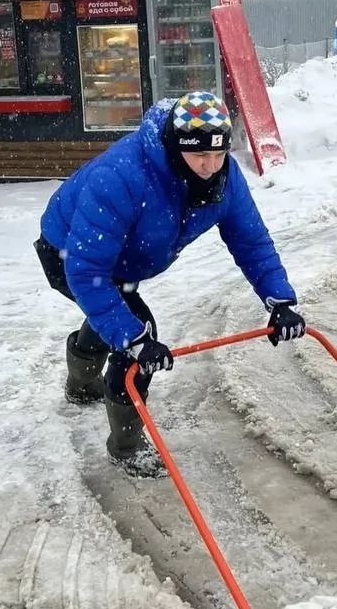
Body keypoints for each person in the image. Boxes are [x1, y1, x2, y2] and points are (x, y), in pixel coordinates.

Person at [35, 91, 305, 461]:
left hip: (122, 261)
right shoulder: (121, 176)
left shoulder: (225, 179)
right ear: (175, 147)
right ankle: (127, 448)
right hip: (67, 252)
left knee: (115, 314)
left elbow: (251, 241)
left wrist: (280, 299)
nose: (211, 166)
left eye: (218, 153)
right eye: (199, 155)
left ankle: (81, 386)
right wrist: (133, 339)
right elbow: (86, 272)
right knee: (135, 331)